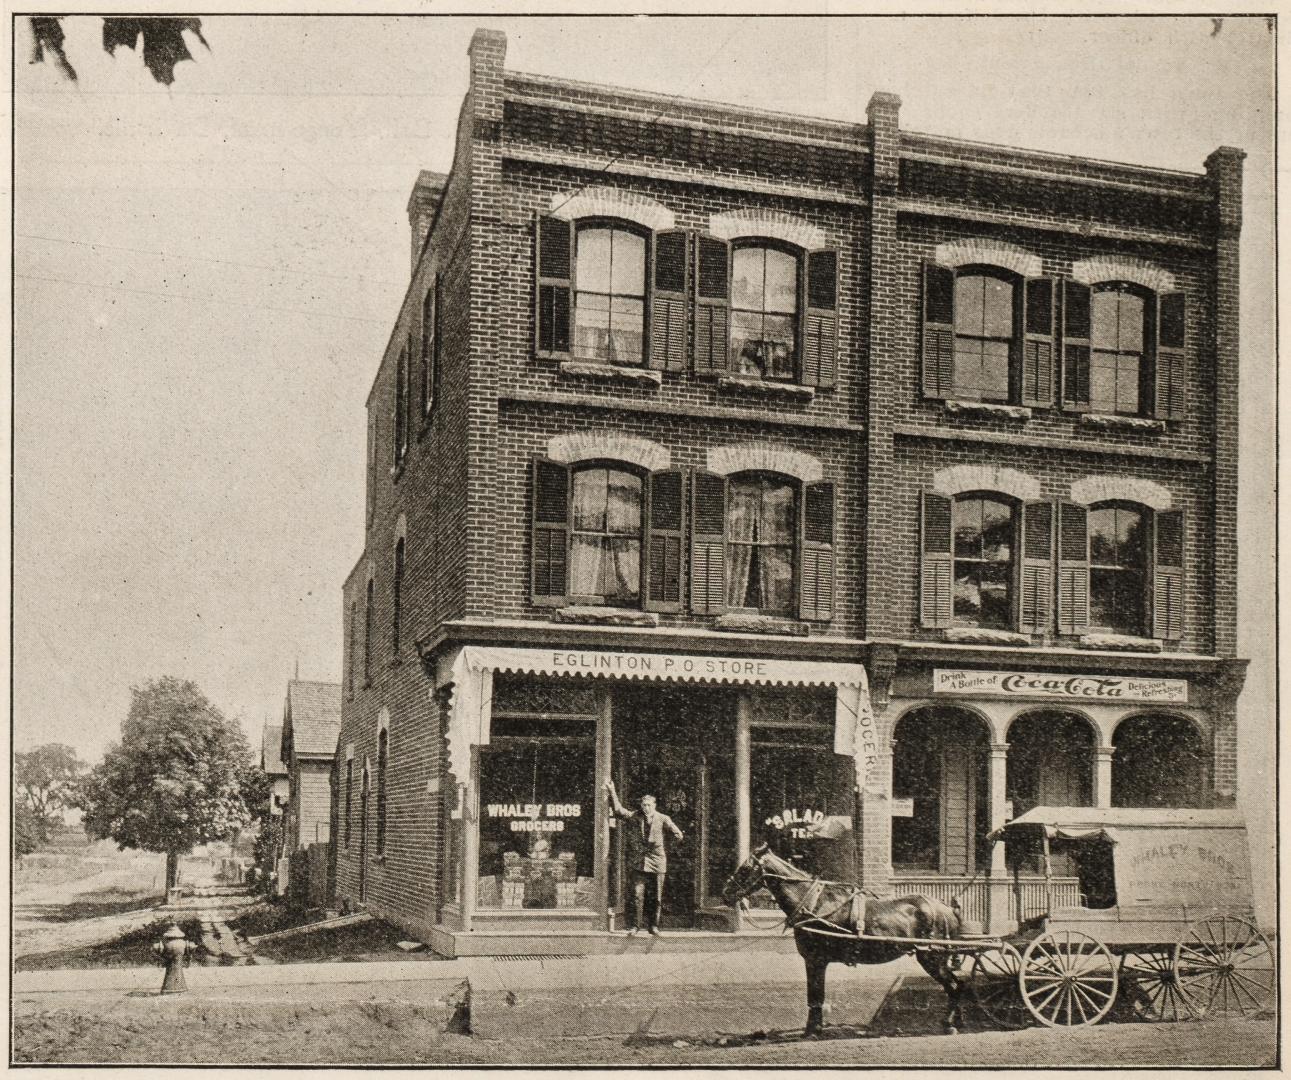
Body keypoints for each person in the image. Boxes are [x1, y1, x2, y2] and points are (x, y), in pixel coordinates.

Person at [605, 780, 683, 937]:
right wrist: (612, 791)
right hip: (639, 862)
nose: (646, 808)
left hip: (657, 861)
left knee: (656, 897)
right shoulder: (635, 816)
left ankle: (654, 926)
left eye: (649, 805)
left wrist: (665, 848)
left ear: (654, 805)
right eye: (644, 805)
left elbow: (678, 835)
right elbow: (619, 811)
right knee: (637, 895)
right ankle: (635, 926)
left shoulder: (663, 818)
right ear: (641, 805)